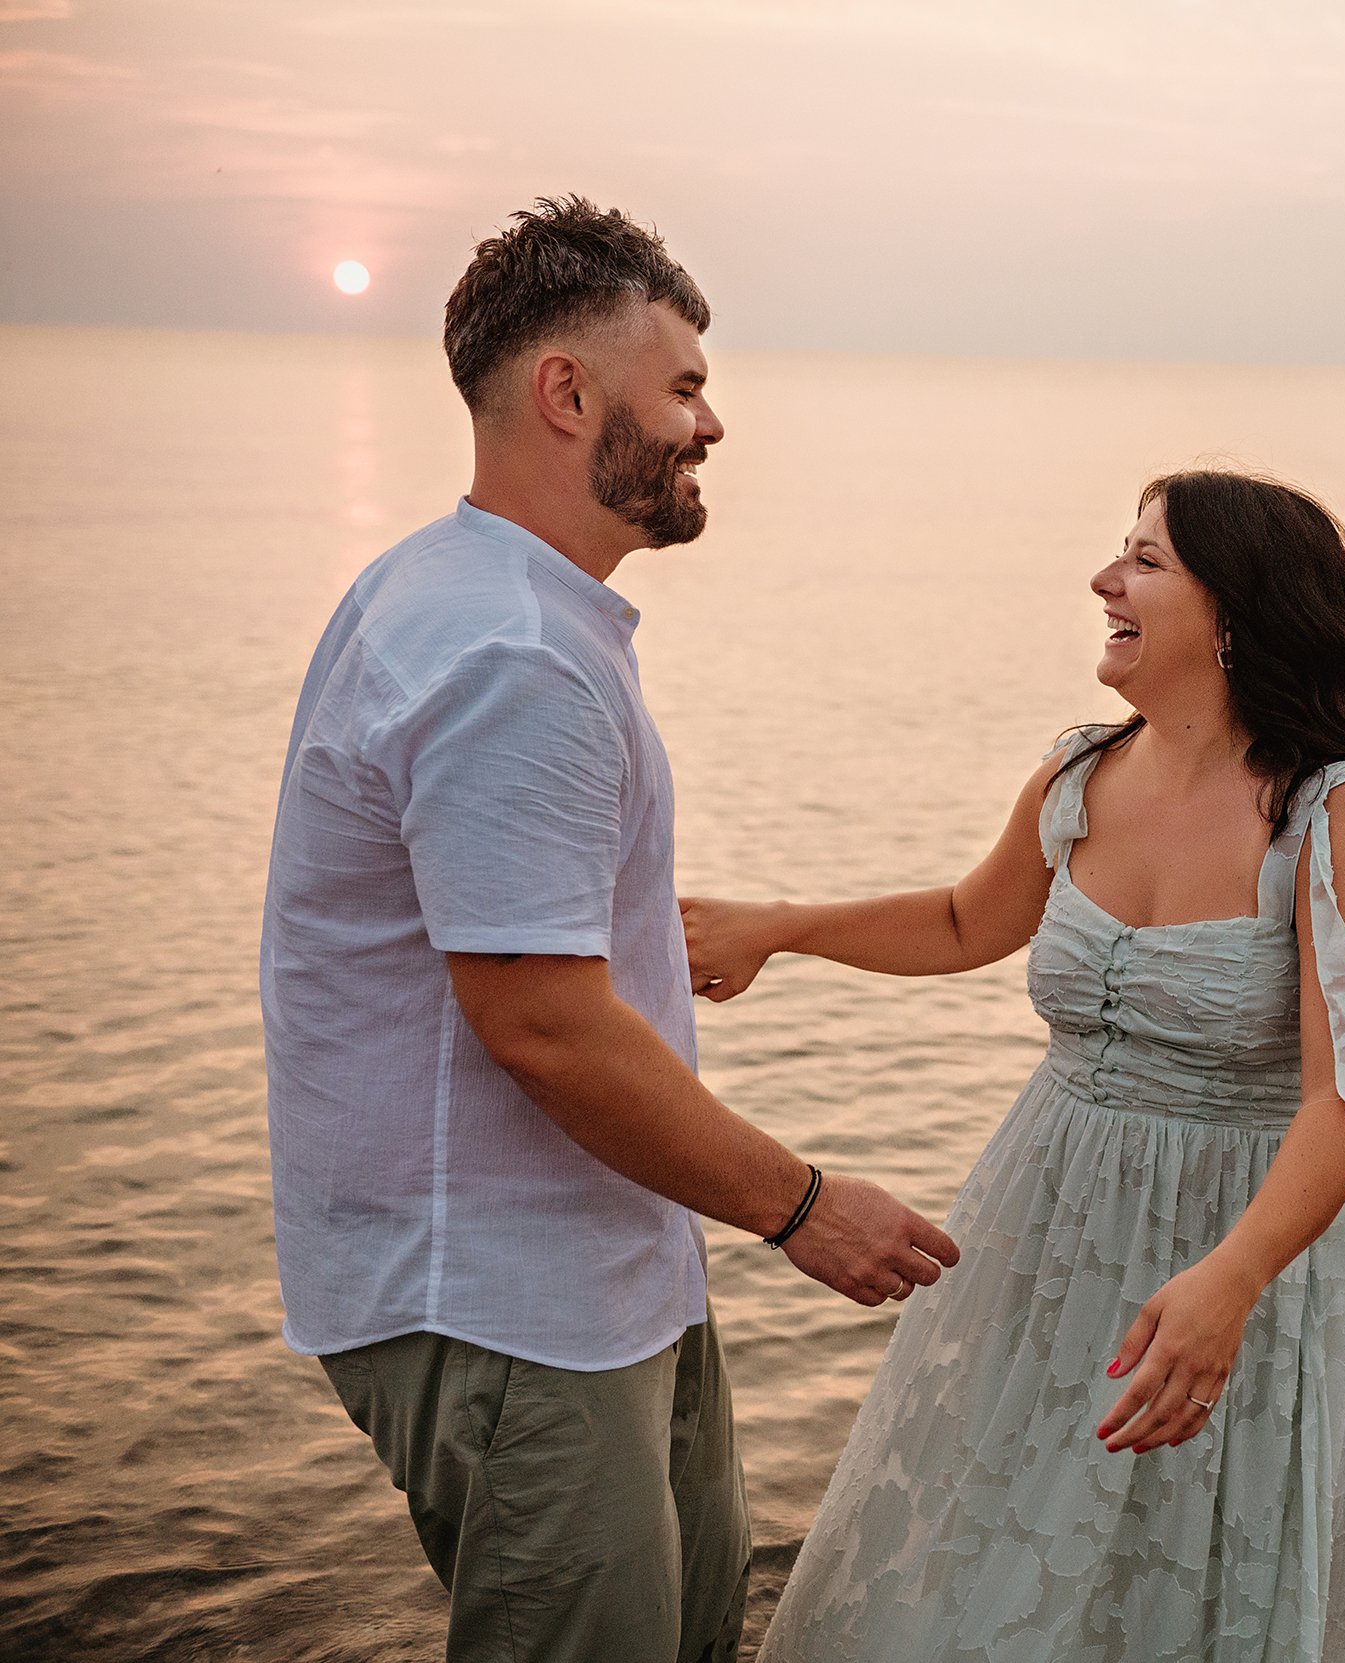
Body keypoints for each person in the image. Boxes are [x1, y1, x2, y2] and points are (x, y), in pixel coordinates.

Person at [258, 196, 959, 1663]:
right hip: (506, 1298)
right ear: (566, 392)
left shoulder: (464, 595)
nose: (712, 424)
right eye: (686, 384)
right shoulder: (509, 650)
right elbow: (539, 1021)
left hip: (603, 1267)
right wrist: (802, 1201)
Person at [682, 471, 1345, 1661]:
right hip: (1046, 1215)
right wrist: (781, 926)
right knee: (982, 1540)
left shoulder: (1336, 811)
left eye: (1145, 561)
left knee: (1182, 1577)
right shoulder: (1080, 774)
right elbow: (970, 921)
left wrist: (1232, 1280)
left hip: (1239, 1243)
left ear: (1233, 612)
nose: (1103, 580)